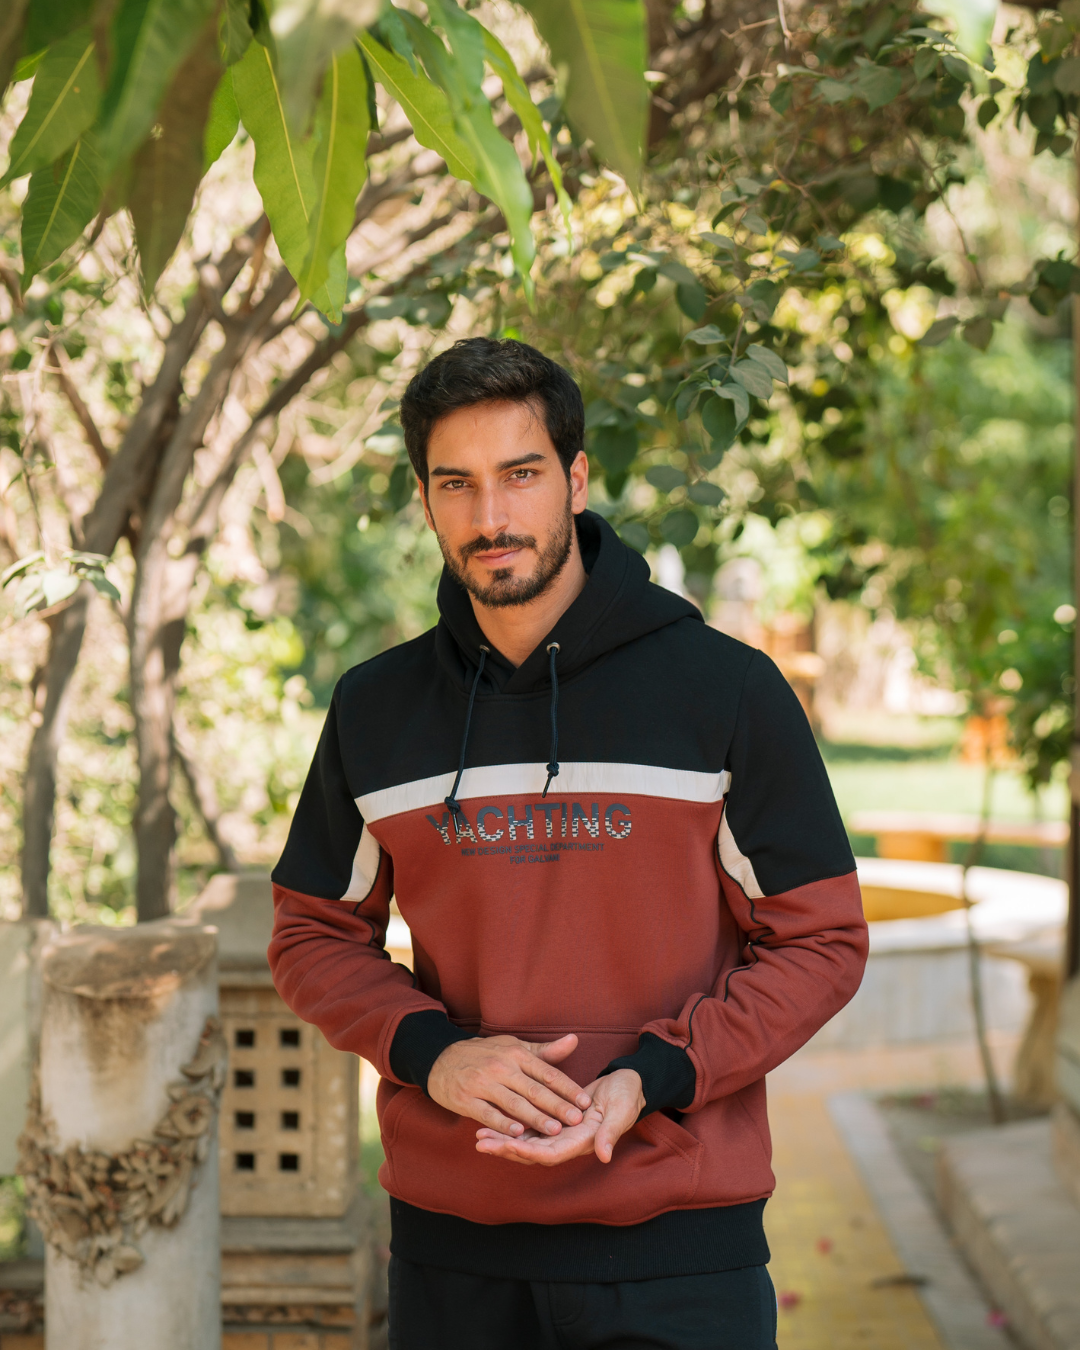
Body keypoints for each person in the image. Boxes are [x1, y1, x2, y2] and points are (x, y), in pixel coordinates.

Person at [269, 337, 868, 1350]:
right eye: (456, 484)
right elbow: (311, 936)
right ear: (424, 500)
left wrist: (654, 1077)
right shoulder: (376, 710)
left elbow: (821, 941)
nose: (490, 517)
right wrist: (435, 1056)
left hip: (680, 1248)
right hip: (454, 1251)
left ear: (576, 479)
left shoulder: (723, 691)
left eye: (521, 475)